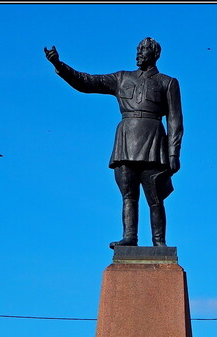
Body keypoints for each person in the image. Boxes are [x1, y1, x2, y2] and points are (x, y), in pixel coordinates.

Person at [44, 38, 183, 248]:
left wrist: (174, 153)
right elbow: (87, 82)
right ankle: (129, 237)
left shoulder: (167, 82)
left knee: (155, 197)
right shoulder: (121, 78)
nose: (139, 53)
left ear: (155, 54)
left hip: (154, 141)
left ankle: (159, 243)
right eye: (138, 49)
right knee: (128, 195)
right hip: (126, 140)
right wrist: (59, 65)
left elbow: (175, 120)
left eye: (144, 50)